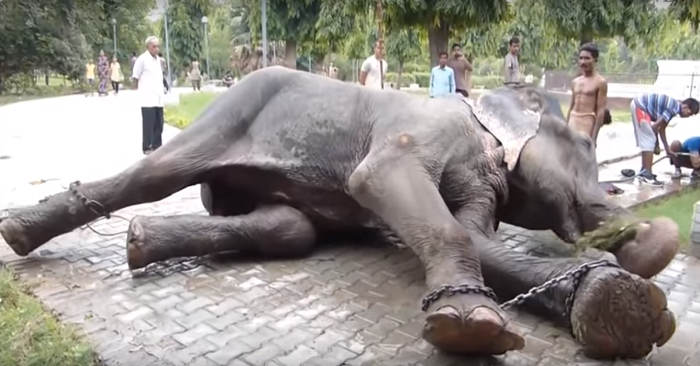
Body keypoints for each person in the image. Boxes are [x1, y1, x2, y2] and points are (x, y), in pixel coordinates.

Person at [631, 93, 700, 185]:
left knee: (648, 140)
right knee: (649, 140)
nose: (688, 116)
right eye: (690, 113)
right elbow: (654, 127)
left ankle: (644, 171)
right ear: (685, 106)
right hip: (640, 106)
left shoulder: (674, 107)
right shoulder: (673, 108)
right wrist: (656, 145)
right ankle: (647, 175)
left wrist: (667, 148)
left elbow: (661, 128)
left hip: (639, 105)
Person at [566, 43, 608, 145]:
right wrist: (566, 126)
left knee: (582, 154)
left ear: (595, 60)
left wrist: (594, 137)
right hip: (573, 120)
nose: (583, 62)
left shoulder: (600, 82)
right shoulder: (575, 82)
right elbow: (571, 106)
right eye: (580, 58)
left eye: (587, 58)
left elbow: (600, 111)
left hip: (587, 122)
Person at [132, 36, 165, 155]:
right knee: (148, 124)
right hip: (147, 97)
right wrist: (136, 89)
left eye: (158, 46)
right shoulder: (142, 59)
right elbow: (135, 76)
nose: (156, 49)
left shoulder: (159, 60)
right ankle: (147, 146)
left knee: (159, 123)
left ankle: (157, 145)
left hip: (158, 97)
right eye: (154, 46)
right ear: (148, 47)